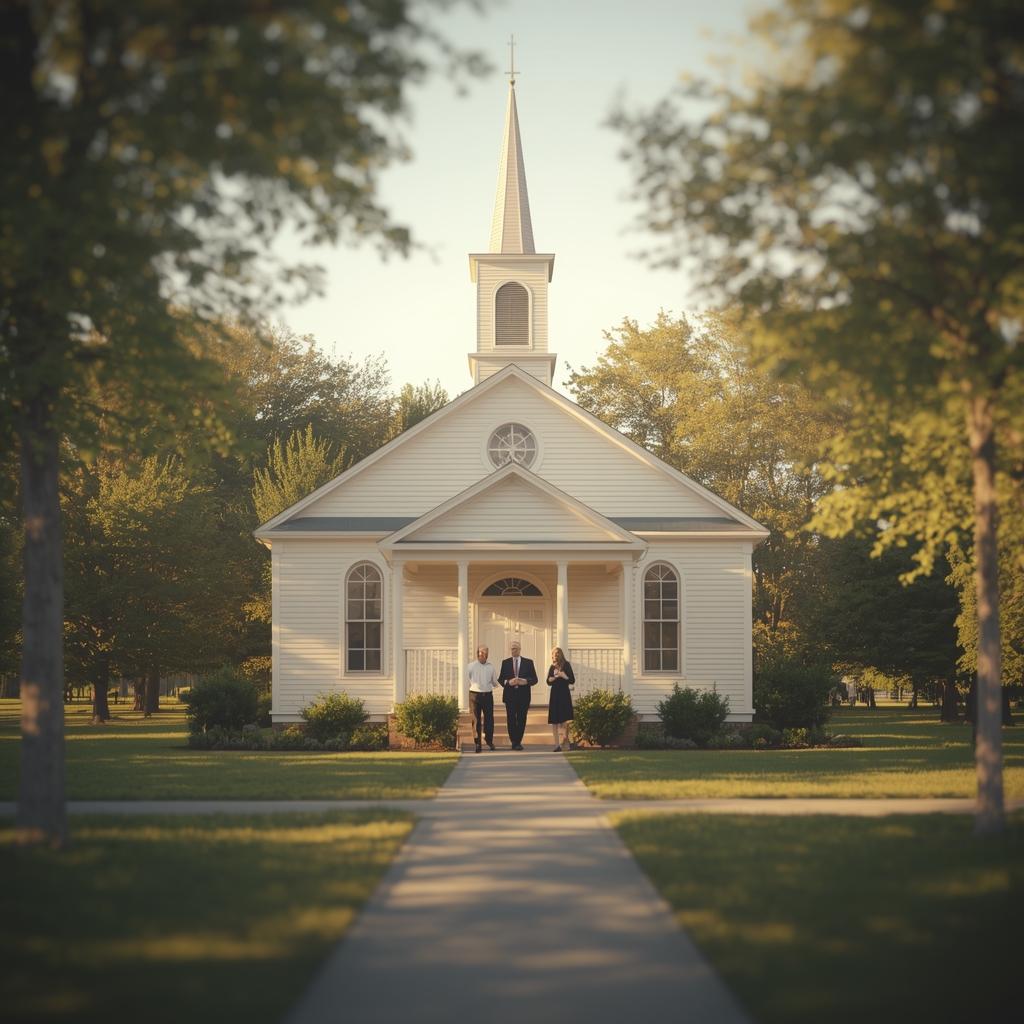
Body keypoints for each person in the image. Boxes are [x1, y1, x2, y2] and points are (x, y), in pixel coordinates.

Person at [498, 640, 537, 750]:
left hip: (523, 696)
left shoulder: (528, 662)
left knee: (521, 719)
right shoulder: (505, 663)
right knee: (511, 719)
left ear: (519, 650)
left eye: (515, 648)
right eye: (512, 649)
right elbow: (501, 679)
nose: (513, 651)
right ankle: (514, 741)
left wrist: (525, 681)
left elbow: (535, 679)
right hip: (510, 696)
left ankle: (518, 741)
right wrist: (508, 682)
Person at [466, 645, 497, 753]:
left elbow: (494, 682)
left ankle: (489, 740)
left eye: (484, 653)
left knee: (489, 719)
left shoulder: (491, 667)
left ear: (487, 655)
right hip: (474, 695)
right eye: (480, 652)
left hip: (487, 695)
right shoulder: (471, 666)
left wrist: (494, 684)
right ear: (477, 654)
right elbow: (466, 678)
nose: (482, 654)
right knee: (476, 720)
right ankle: (477, 743)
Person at [546, 647, 575, 751]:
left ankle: (565, 741)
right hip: (555, 694)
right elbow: (548, 681)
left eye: (556, 654)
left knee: (564, 719)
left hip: (564, 694)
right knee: (554, 720)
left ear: (560, 655)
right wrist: (551, 679)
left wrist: (564, 675)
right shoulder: (552, 666)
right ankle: (556, 745)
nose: (554, 656)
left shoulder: (566, 665)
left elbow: (572, 680)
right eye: (553, 655)